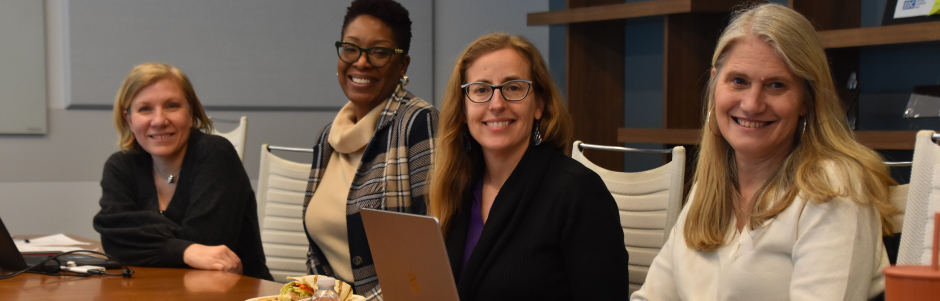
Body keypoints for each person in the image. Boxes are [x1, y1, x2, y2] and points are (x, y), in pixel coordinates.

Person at [632, 4, 899, 301]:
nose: (752, 104)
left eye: (776, 85)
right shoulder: (709, 189)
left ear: (805, 100)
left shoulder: (834, 189)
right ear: (714, 82)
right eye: (738, 81)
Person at [429, 33, 629, 301]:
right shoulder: (457, 186)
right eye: (481, 89)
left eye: (513, 87)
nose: (497, 104)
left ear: (539, 104)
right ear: (463, 110)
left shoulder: (579, 193)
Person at [301, 0, 438, 298]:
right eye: (351, 48)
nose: (361, 62)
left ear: (402, 65)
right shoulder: (327, 138)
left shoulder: (418, 124)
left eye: (379, 52)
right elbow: (317, 257)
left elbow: (430, 255)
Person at [93, 62, 272, 280]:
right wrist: (186, 249)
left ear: (191, 112)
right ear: (129, 119)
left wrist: (136, 235)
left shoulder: (215, 154)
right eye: (145, 109)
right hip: (156, 292)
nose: (159, 120)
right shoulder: (121, 166)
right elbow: (112, 241)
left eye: (172, 106)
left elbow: (208, 244)